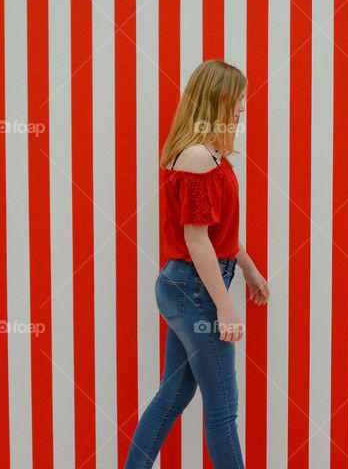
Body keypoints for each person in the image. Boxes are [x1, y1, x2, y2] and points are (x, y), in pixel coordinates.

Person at [123, 59, 270, 468]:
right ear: (219, 99)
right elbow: (196, 238)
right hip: (195, 289)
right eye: (239, 97)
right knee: (223, 410)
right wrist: (224, 306)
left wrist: (247, 266)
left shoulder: (206, 155)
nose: (243, 106)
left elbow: (216, 233)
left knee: (173, 396)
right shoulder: (199, 157)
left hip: (187, 285)